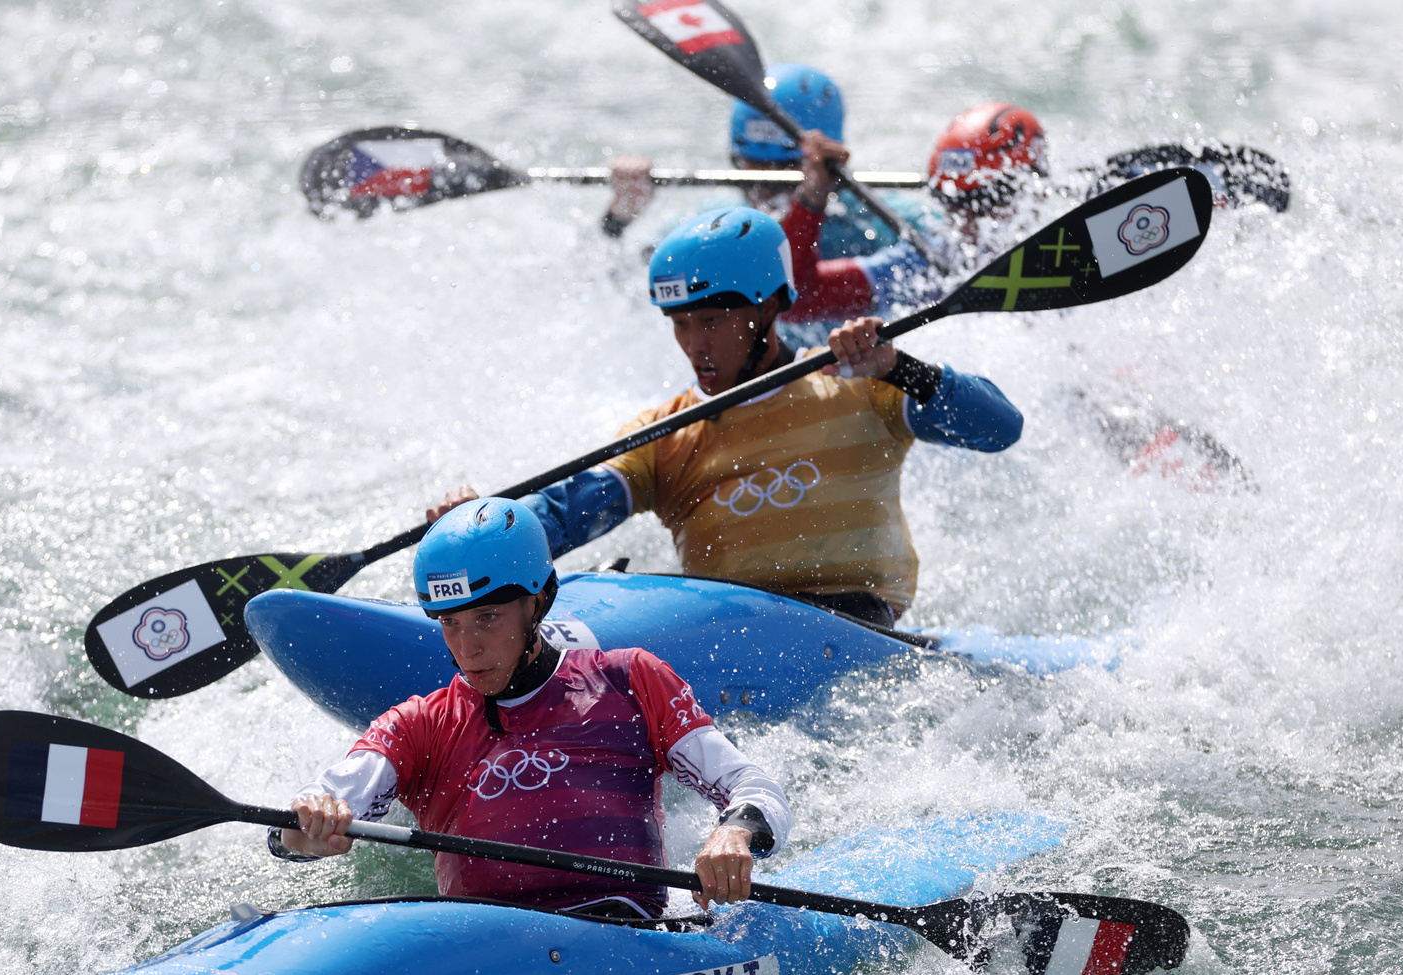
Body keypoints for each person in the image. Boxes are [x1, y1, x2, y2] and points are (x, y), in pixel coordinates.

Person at [428, 206, 1022, 630]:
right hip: (721, 634)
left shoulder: (859, 384)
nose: (694, 345)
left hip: (857, 625)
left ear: (769, 306)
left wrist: (899, 366)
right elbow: (567, 511)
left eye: (711, 320)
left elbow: (1001, 429)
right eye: (681, 324)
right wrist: (488, 529)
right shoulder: (665, 433)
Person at [272, 496, 793, 919]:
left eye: (488, 618)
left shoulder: (629, 679)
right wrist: (306, 828)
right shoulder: (420, 724)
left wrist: (735, 829)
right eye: (449, 623)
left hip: (629, 936)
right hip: (486, 951)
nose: (466, 648)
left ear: (540, 600)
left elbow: (755, 788)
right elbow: (307, 813)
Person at [601, 62, 936, 263]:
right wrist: (621, 216)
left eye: (785, 170)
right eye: (754, 166)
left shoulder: (877, 221)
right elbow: (617, 287)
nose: (766, 187)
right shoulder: (709, 223)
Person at [781, 103, 1051, 328]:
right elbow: (794, 302)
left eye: (983, 202)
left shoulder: (1072, 252)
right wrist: (812, 197)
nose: (967, 221)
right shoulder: (924, 265)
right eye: (953, 202)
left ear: (1034, 195)